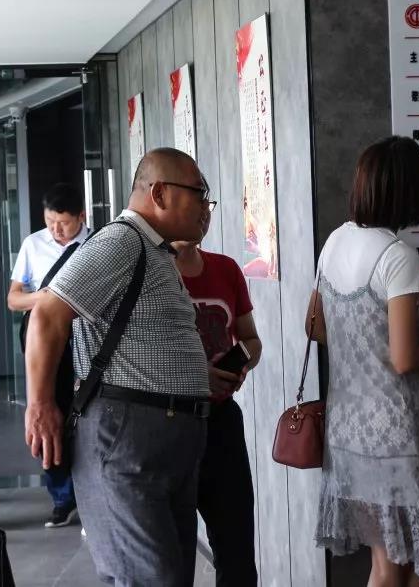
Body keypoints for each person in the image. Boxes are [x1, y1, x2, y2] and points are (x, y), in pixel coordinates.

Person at [24, 148, 212, 586]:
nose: (205, 207)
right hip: (126, 439)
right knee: (149, 578)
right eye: (198, 193)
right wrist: (40, 404)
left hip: (164, 443)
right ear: (159, 193)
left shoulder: (156, 251)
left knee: (169, 575)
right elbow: (47, 314)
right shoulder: (121, 242)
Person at [309, 136, 419, 586]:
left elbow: (314, 327)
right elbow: (403, 357)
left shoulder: (335, 241)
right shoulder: (397, 256)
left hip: (346, 427)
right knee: (405, 565)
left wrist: (358, 345)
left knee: (393, 564)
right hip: (392, 432)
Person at [174, 201, 262, 586]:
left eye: (207, 204)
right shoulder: (151, 275)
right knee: (172, 558)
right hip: (169, 425)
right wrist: (197, 376)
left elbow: (251, 339)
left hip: (222, 423)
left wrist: (239, 366)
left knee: (237, 552)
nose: (203, 213)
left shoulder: (226, 269)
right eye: (194, 202)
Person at [7, 182, 89, 528]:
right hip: (44, 340)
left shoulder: (96, 245)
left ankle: (87, 495)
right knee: (47, 411)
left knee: (84, 414)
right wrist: (43, 299)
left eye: (64, 223)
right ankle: (61, 497)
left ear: (82, 217)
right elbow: (14, 299)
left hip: (85, 341)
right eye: (50, 221)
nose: (56, 230)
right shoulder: (33, 244)